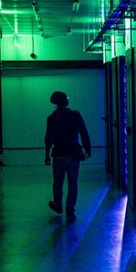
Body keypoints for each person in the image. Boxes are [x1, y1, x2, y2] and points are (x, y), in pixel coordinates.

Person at [44, 91, 91, 221]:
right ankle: (70, 210)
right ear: (65, 101)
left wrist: (47, 155)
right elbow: (83, 131)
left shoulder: (51, 118)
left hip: (58, 154)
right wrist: (88, 148)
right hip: (73, 153)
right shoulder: (75, 115)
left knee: (58, 182)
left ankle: (58, 204)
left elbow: (48, 138)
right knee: (72, 182)